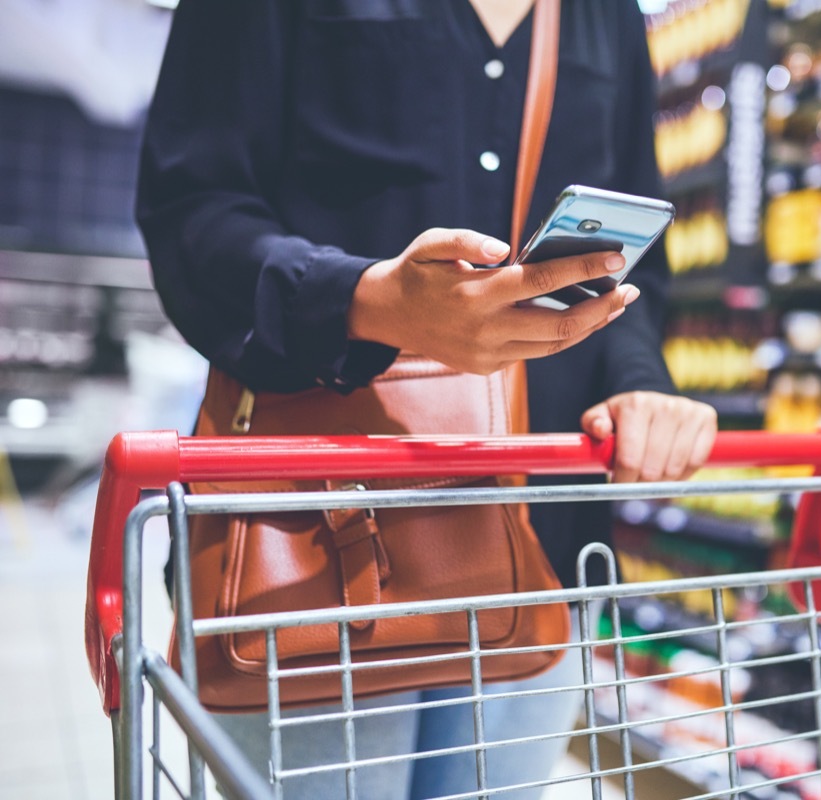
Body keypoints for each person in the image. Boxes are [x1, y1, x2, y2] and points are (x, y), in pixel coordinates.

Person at [136, 0, 718, 797]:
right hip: (311, 542)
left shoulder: (604, 14)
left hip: (540, 539)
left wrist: (642, 383)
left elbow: (629, 267)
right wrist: (367, 302)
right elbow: (191, 209)